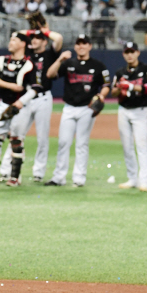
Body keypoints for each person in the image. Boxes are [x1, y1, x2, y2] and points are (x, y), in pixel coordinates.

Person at [0, 27, 64, 183]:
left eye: (38, 38)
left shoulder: (49, 54)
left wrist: (44, 30)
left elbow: (59, 38)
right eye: (32, 38)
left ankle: (38, 172)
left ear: (44, 41)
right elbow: (17, 35)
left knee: (42, 137)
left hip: (43, 97)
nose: (34, 40)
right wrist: (32, 30)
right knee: (16, 133)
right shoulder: (26, 53)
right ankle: (6, 170)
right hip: (26, 97)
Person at [45, 34, 110, 187]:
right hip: (69, 108)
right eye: (78, 44)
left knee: (82, 144)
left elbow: (106, 85)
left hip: (86, 109)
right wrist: (60, 59)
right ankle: (58, 177)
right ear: (75, 47)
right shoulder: (68, 63)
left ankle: (79, 178)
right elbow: (50, 74)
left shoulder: (98, 65)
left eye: (84, 43)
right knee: (63, 142)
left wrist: (101, 96)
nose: (81, 46)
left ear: (90, 46)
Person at [0, 32, 40, 186]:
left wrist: (20, 102)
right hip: (4, 103)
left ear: (23, 44)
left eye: (14, 40)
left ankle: (15, 177)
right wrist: (11, 86)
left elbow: (35, 88)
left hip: (21, 106)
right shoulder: (2, 60)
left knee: (16, 140)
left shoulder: (29, 64)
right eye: (11, 39)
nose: (11, 42)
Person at [110, 42, 147, 192]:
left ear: (138, 53)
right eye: (127, 52)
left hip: (140, 111)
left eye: (132, 51)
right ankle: (132, 179)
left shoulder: (146, 69)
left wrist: (129, 86)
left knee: (141, 145)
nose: (129, 55)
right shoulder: (120, 72)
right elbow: (113, 92)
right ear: (123, 54)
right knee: (127, 146)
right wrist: (119, 88)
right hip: (124, 109)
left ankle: (145, 181)